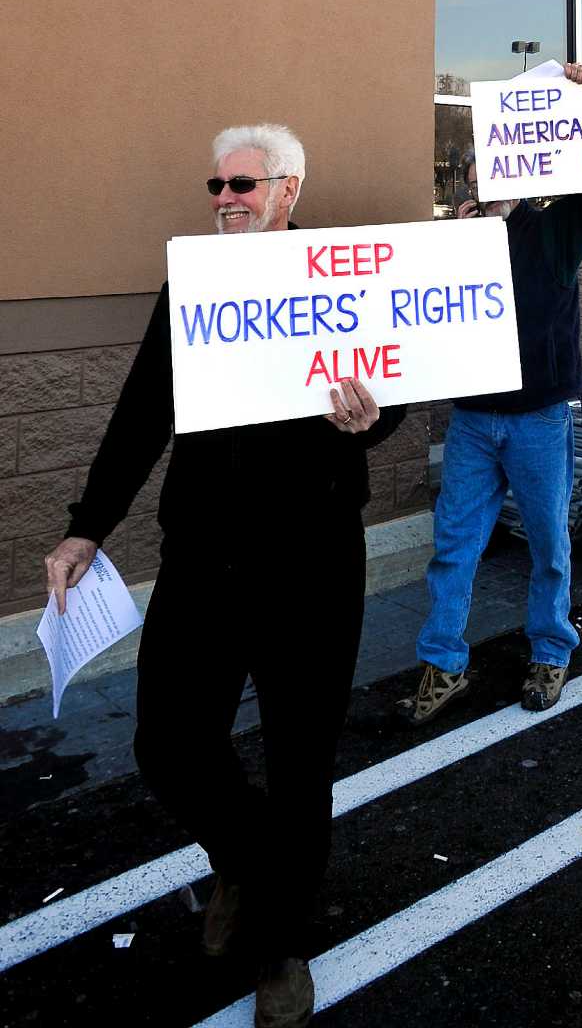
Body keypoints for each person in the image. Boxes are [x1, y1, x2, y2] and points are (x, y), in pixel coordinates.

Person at [42, 124, 403, 1028]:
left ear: (289, 191)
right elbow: (138, 417)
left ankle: (281, 948)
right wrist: (89, 527)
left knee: (300, 763)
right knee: (167, 743)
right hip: (202, 559)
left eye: (244, 183)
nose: (226, 198)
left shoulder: (346, 284)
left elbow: (399, 393)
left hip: (312, 567)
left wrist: (372, 417)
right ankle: (246, 859)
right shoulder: (192, 290)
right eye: (216, 184)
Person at [411, 62, 582, 724]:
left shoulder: (551, 233)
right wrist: (459, 239)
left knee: (549, 544)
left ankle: (551, 649)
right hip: (471, 419)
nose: (481, 180)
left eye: (493, 168)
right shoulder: (459, 237)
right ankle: (443, 662)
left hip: (536, 420)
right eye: (472, 172)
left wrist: (576, 103)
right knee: (454, 544)